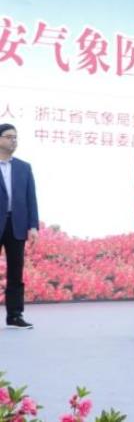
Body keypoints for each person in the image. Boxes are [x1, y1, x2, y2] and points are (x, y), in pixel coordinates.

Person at [0, 124, 39, 330]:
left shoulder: (24, 167)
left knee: (16, 271)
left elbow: (31, 199)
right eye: (9, 137)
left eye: (15, 137)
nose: (13, 140)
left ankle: (15, 315)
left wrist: (33, 226)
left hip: (16, 224)